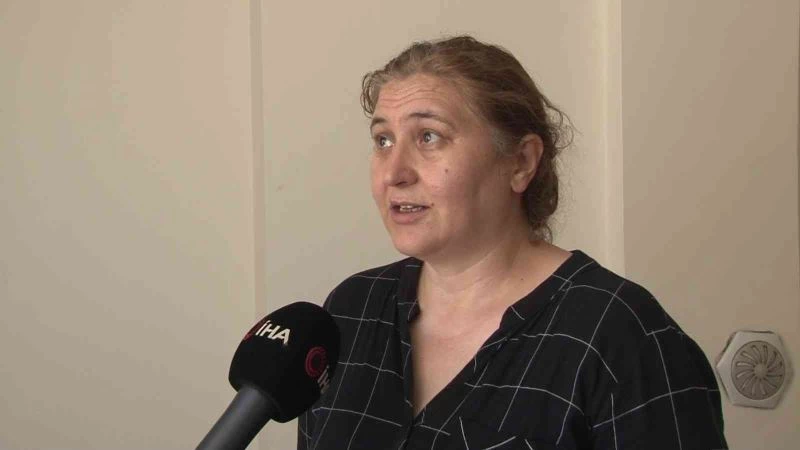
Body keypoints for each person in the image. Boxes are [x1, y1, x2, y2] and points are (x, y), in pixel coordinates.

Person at [298, 36, 727, 450]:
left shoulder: (620, 336)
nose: (394, 173)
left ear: (521, 162)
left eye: (429, 136)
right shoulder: (350, 311)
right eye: (383, 140)